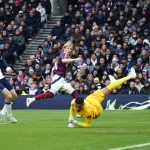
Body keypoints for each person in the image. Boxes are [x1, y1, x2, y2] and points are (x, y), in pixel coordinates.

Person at [68, 68, 136, 128]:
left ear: (82, 105)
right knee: (108, 89)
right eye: (76, 106)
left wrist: (76, 123)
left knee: (108, 89)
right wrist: (71, 116)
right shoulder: (74, 102)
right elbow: (72, 107)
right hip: (93, 105)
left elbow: (88, 125)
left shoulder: (88, 111)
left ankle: (130, 76)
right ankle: (114, 83)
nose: (76, 108)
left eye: (79, 107)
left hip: (95, 105)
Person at [26, 42, 81, 107]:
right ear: (64, 49)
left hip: (61, 79)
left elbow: (53, 68)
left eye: (70, 49)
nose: (69, 50)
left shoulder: (64, 57)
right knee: (51, 94)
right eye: (67, 48)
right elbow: (63, 60)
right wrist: (75, 59)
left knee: (75, 94)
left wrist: (53, 76)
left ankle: (73, 114)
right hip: (58, 78)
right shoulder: (63, 55)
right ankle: (31, 99)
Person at [0, 52, 18, 123]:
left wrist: (7, 67)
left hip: (1, 77)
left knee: (14, 95)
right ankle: (8, 115)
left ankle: (4, 113)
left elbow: (1, 59)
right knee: (8, 96)